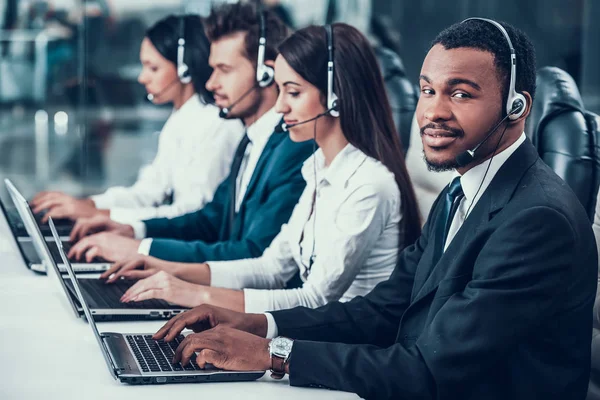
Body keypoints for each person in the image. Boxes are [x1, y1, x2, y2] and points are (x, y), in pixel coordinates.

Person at [149, 19, 598, 400]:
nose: (433, 112)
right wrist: (254, 324)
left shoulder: (538, 220)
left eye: (460, 94)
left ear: (517, 107)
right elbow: (381, 311)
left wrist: (273, 355)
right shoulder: (462, 190)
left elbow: (431, 370)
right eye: (427, 91)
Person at [98, 23, 422, 313]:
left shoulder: (368, 184)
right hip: (311, 339)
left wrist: (195, 294)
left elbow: (316, 298)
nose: (280, 106)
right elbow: (271, 267)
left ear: (336, 96)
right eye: (280, 90)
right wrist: (167, 270)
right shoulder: (319, 169)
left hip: (340, 352)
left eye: (293, 92)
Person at [64, 2, 315, 264]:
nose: (210, 83)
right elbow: (210, 220)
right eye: (212, 68)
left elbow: (255, 254)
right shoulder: (251, 139)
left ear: (266, 73)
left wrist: (141, 250)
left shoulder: (292, 148)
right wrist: (134, 231)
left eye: (224, 70)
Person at [31, 15, 245, 225]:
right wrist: (88, 205)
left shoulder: (216, 124)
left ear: (184, 69)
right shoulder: (182, 118)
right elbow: (149, 191)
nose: (142, 78)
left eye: (153, 68)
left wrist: (101, 216)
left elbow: (192, 213)